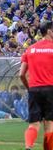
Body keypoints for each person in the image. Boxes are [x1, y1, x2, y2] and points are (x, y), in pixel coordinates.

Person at [20, 21, 53, 150]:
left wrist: (30, 88)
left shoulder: (30, 49)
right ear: (49, 31)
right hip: (50, 89)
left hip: (34, 89)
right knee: (49, 124)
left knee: (33, 125)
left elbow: (21, 74)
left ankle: (29, 146)